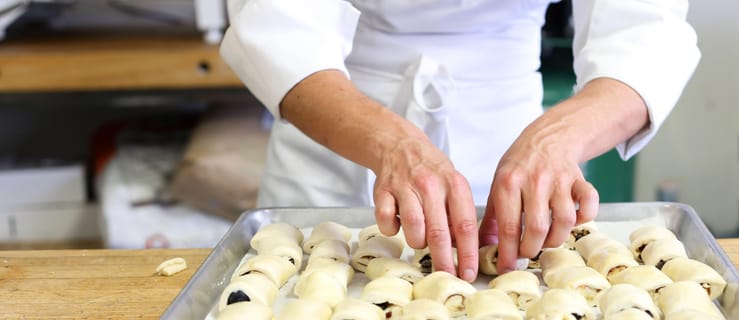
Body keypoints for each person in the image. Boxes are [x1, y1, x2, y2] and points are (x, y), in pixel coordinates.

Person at [220, 0, 700, 282]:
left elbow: (646, 31)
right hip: (334, 131)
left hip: (506, 125)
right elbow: (277, 25)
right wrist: (388, 143)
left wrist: (557, 139)